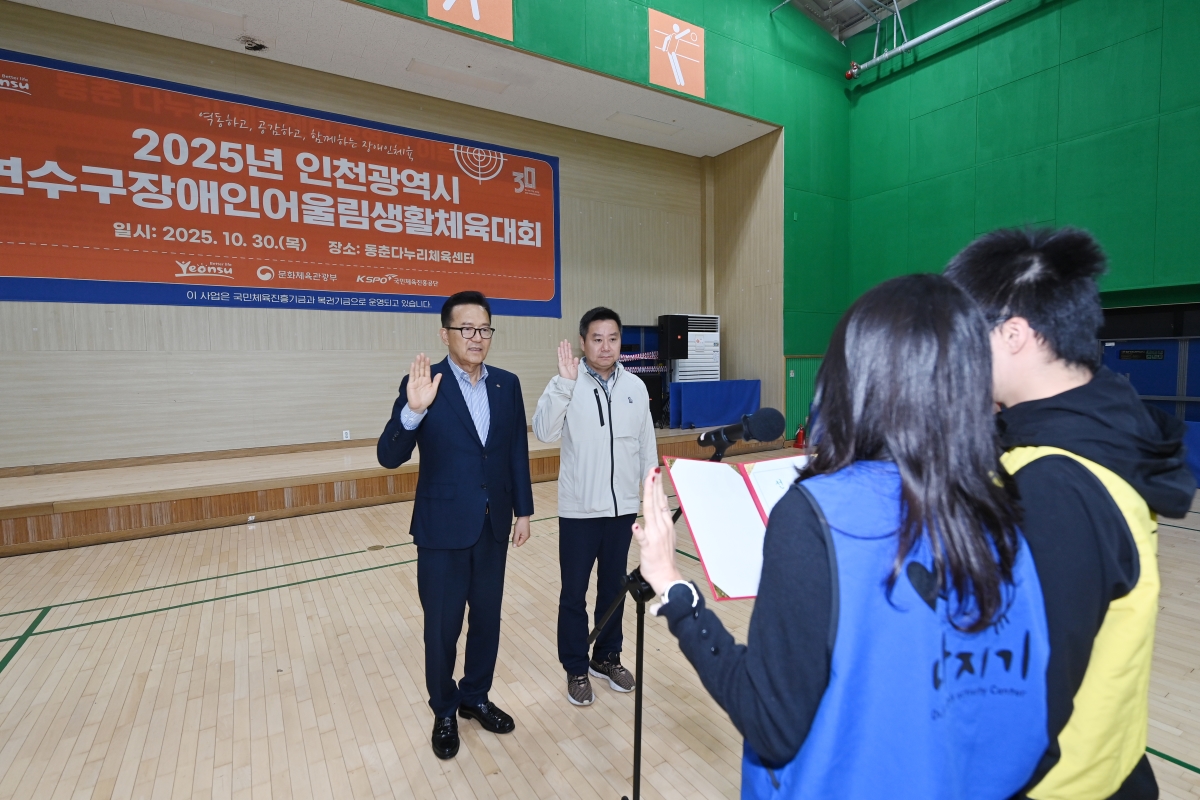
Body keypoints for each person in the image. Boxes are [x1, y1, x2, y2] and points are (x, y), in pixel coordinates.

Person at [633, 274, 1051, 799]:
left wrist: (675, 589)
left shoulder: (817, 514)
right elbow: (1028, 720)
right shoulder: (1002, 509)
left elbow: (771, 722)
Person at [945, 228, 1196, 800]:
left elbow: (1027, 694)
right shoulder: (1103, 436)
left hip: (1053, 785)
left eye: (964, 340)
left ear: (1013, 335)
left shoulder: (1054, 482)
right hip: (1108, 762)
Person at [377, 290, 534, 761]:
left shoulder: (507, 385)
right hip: (442, 530)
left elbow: (513, 456)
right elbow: (389, 456)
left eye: (484, 328)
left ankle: (475, 696)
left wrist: (523, 510)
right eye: (466, 328)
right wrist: (414, 410)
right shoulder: (424, 383)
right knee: (442, 628)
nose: (476, 337)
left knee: (487, 621)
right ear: (444, 333)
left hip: (493, 527)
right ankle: (444, 709)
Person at [532, 307, 658, 706]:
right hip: (579, 510)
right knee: (573, 592)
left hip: (621, 510)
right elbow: (543, 431)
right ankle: (575, 666)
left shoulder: (636, 388)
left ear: (622, 341)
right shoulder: (566, 383)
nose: (606, 346)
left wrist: (652, 496)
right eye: (597, 339)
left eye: (613, 338)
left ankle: (606, 657)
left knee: (614, 586)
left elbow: (646, 447)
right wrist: (564, 386)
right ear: (583, 342)